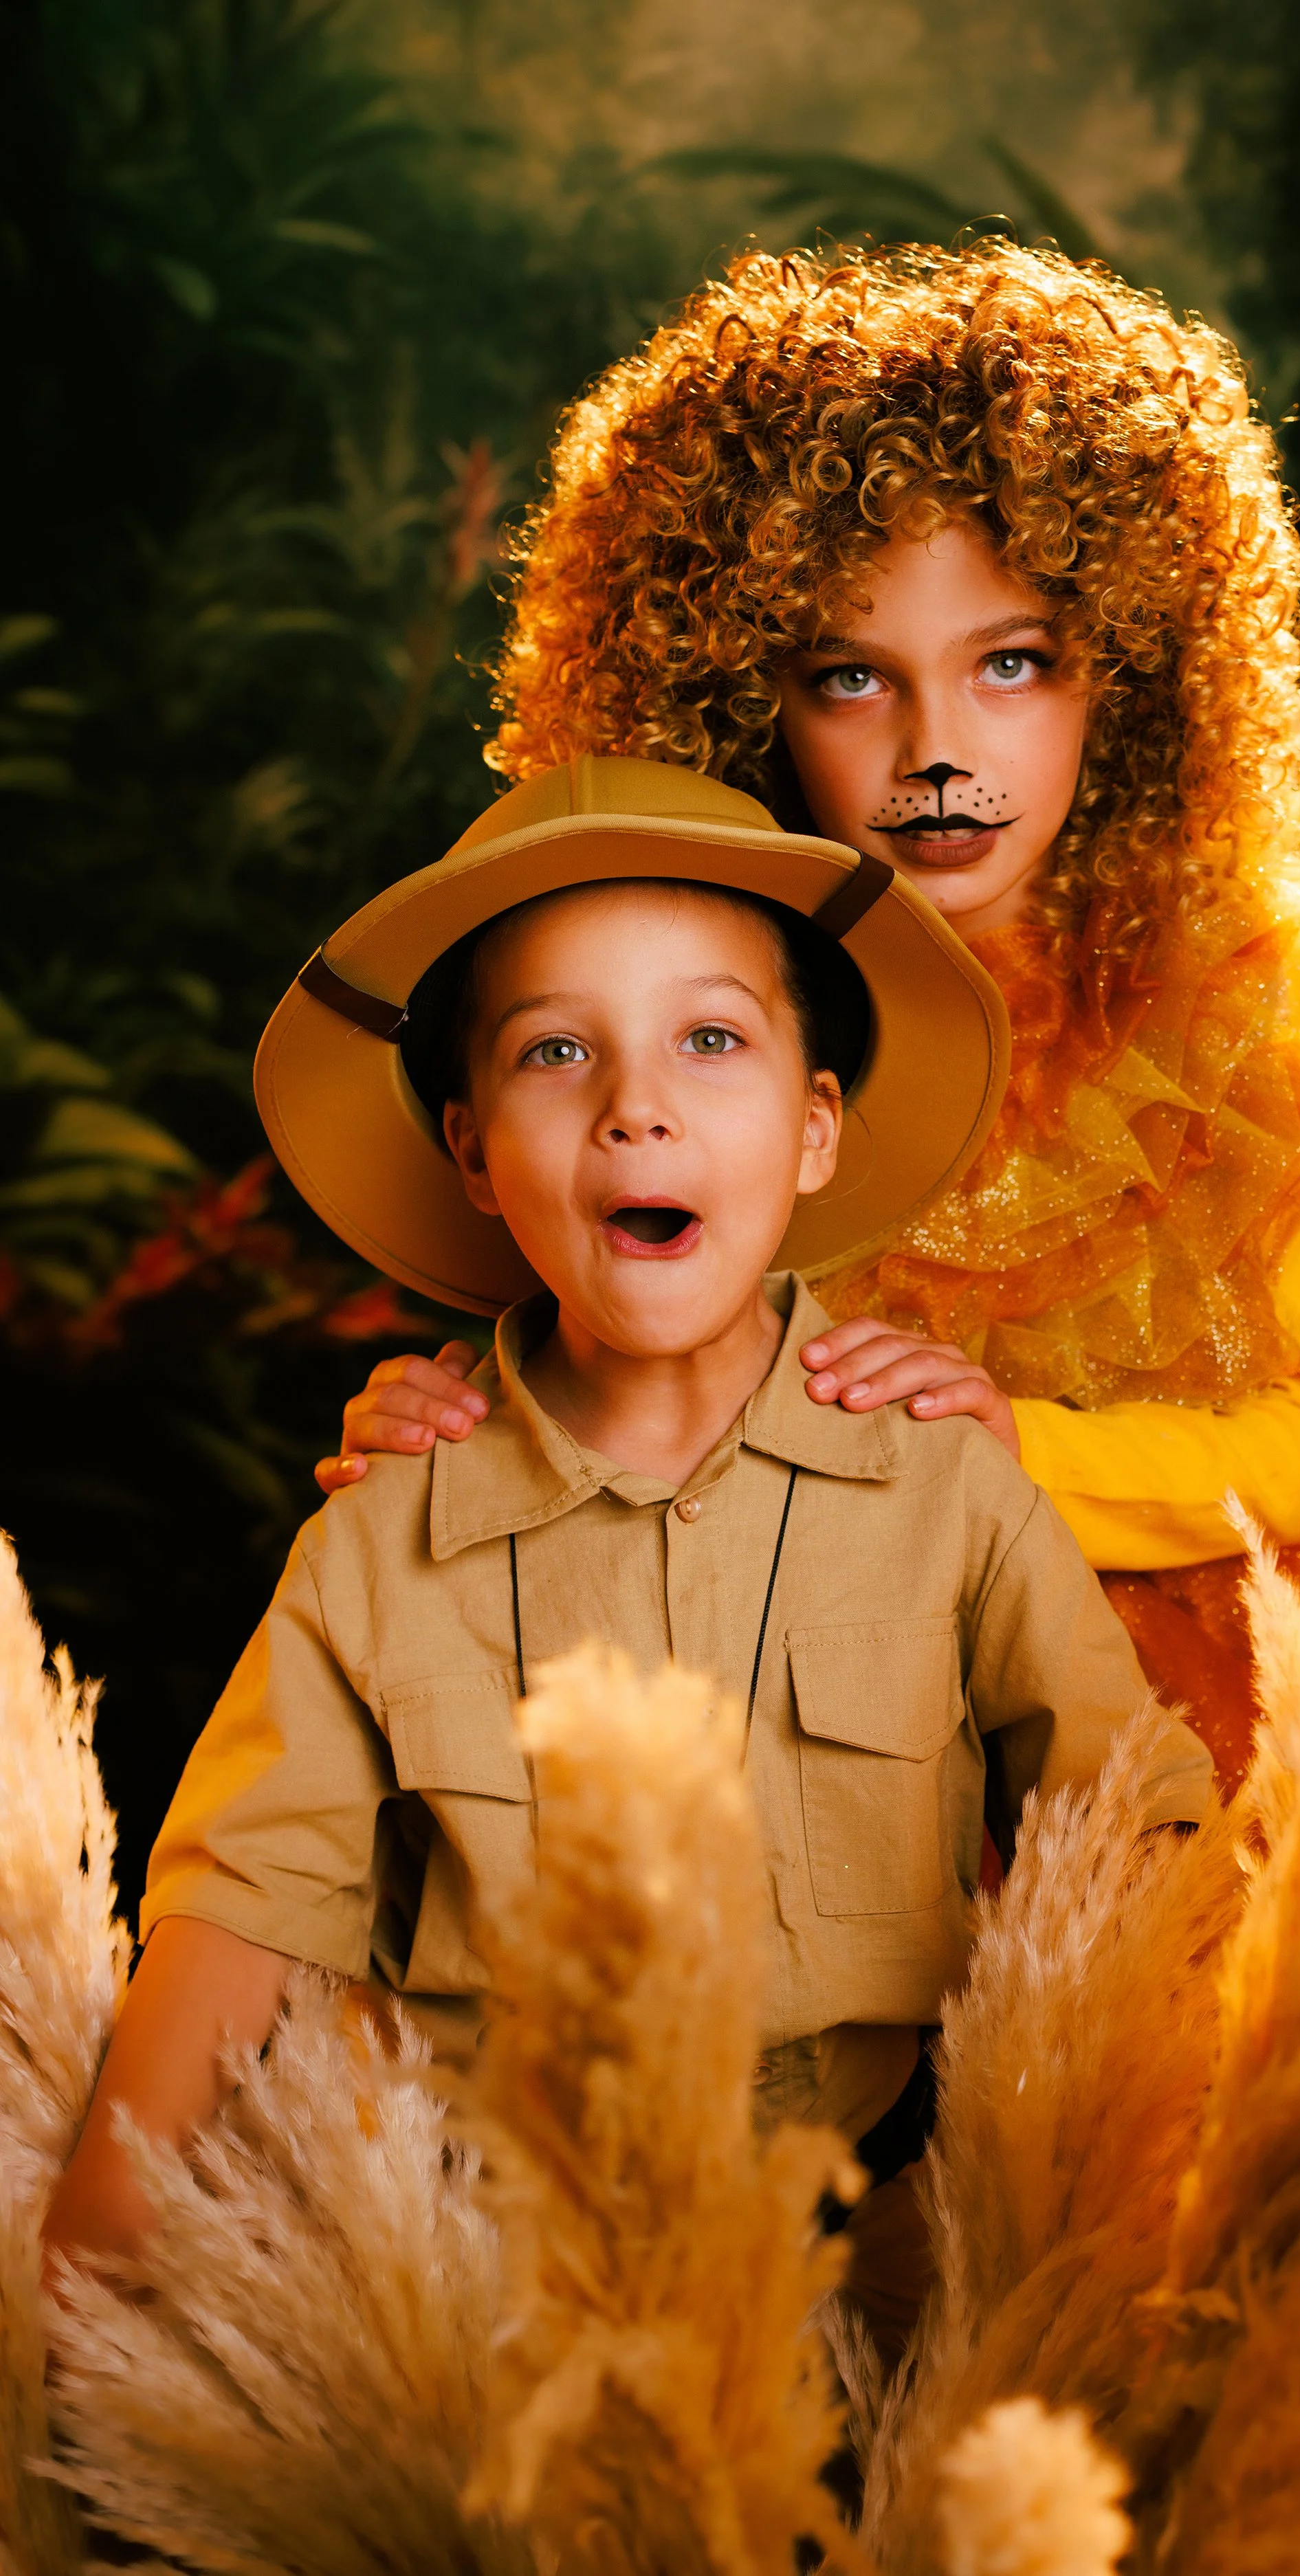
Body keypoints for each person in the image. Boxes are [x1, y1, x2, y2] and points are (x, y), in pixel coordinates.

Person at [320, 243, 1300, 1786]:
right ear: (742, 696)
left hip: (1183, 1680)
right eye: (848, 678)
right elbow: (609, 1342)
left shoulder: (1204, 1007)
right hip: (811, 1698)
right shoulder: (698, 1013)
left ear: (1131, 677)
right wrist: (447, 1411)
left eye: (1011, 665)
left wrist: (1020, 1451)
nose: (938, 750)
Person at [43, 755, 1211, 2326]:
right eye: (556, 1052)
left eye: (709, 1038)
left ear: (812, 1130)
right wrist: (80, 2310)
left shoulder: (941, 1482)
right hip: (489, 2295)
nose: (635, 1103)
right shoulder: (387, 1535)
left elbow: (1135, 1830)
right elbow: (241, 1917)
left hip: (888, 2263)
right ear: (470, 1151)